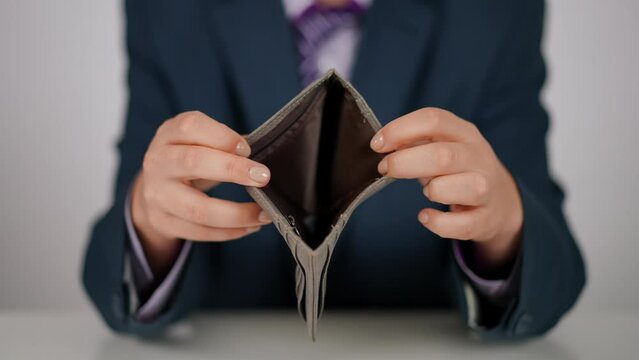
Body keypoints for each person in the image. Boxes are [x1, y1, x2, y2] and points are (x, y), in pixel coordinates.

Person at [82, 0, 586, 339]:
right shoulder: (168, 12)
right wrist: (151, 228)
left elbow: (553, 267)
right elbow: (120, 254)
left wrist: (502, 230)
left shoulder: (495, 14)